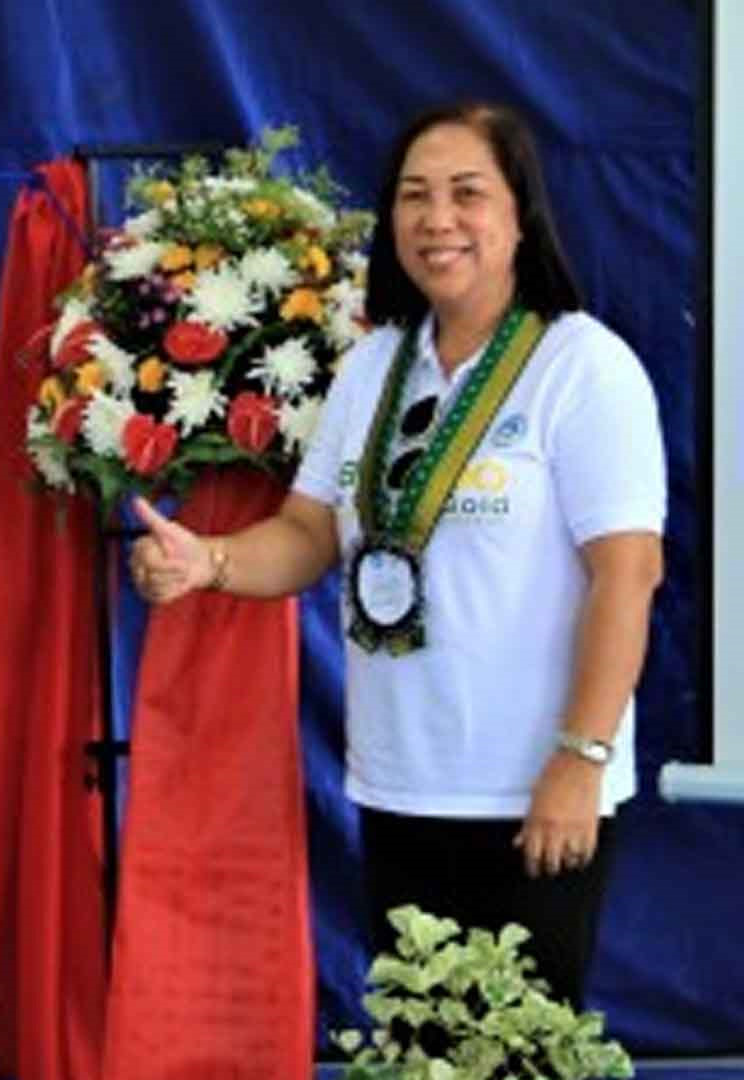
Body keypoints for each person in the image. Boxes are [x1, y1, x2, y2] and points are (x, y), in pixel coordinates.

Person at [129, 101, 664, 1007]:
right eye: (414, 195)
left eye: (467, 193)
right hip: (402, 781)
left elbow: (628, 573)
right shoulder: (376, 365)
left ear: (520, 216)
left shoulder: (582, 366)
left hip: (533, 790)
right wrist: (208, 562)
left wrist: (580, 758)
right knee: (418, 1051)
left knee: (518, 1057)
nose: (437, 219)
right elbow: (308, 534)